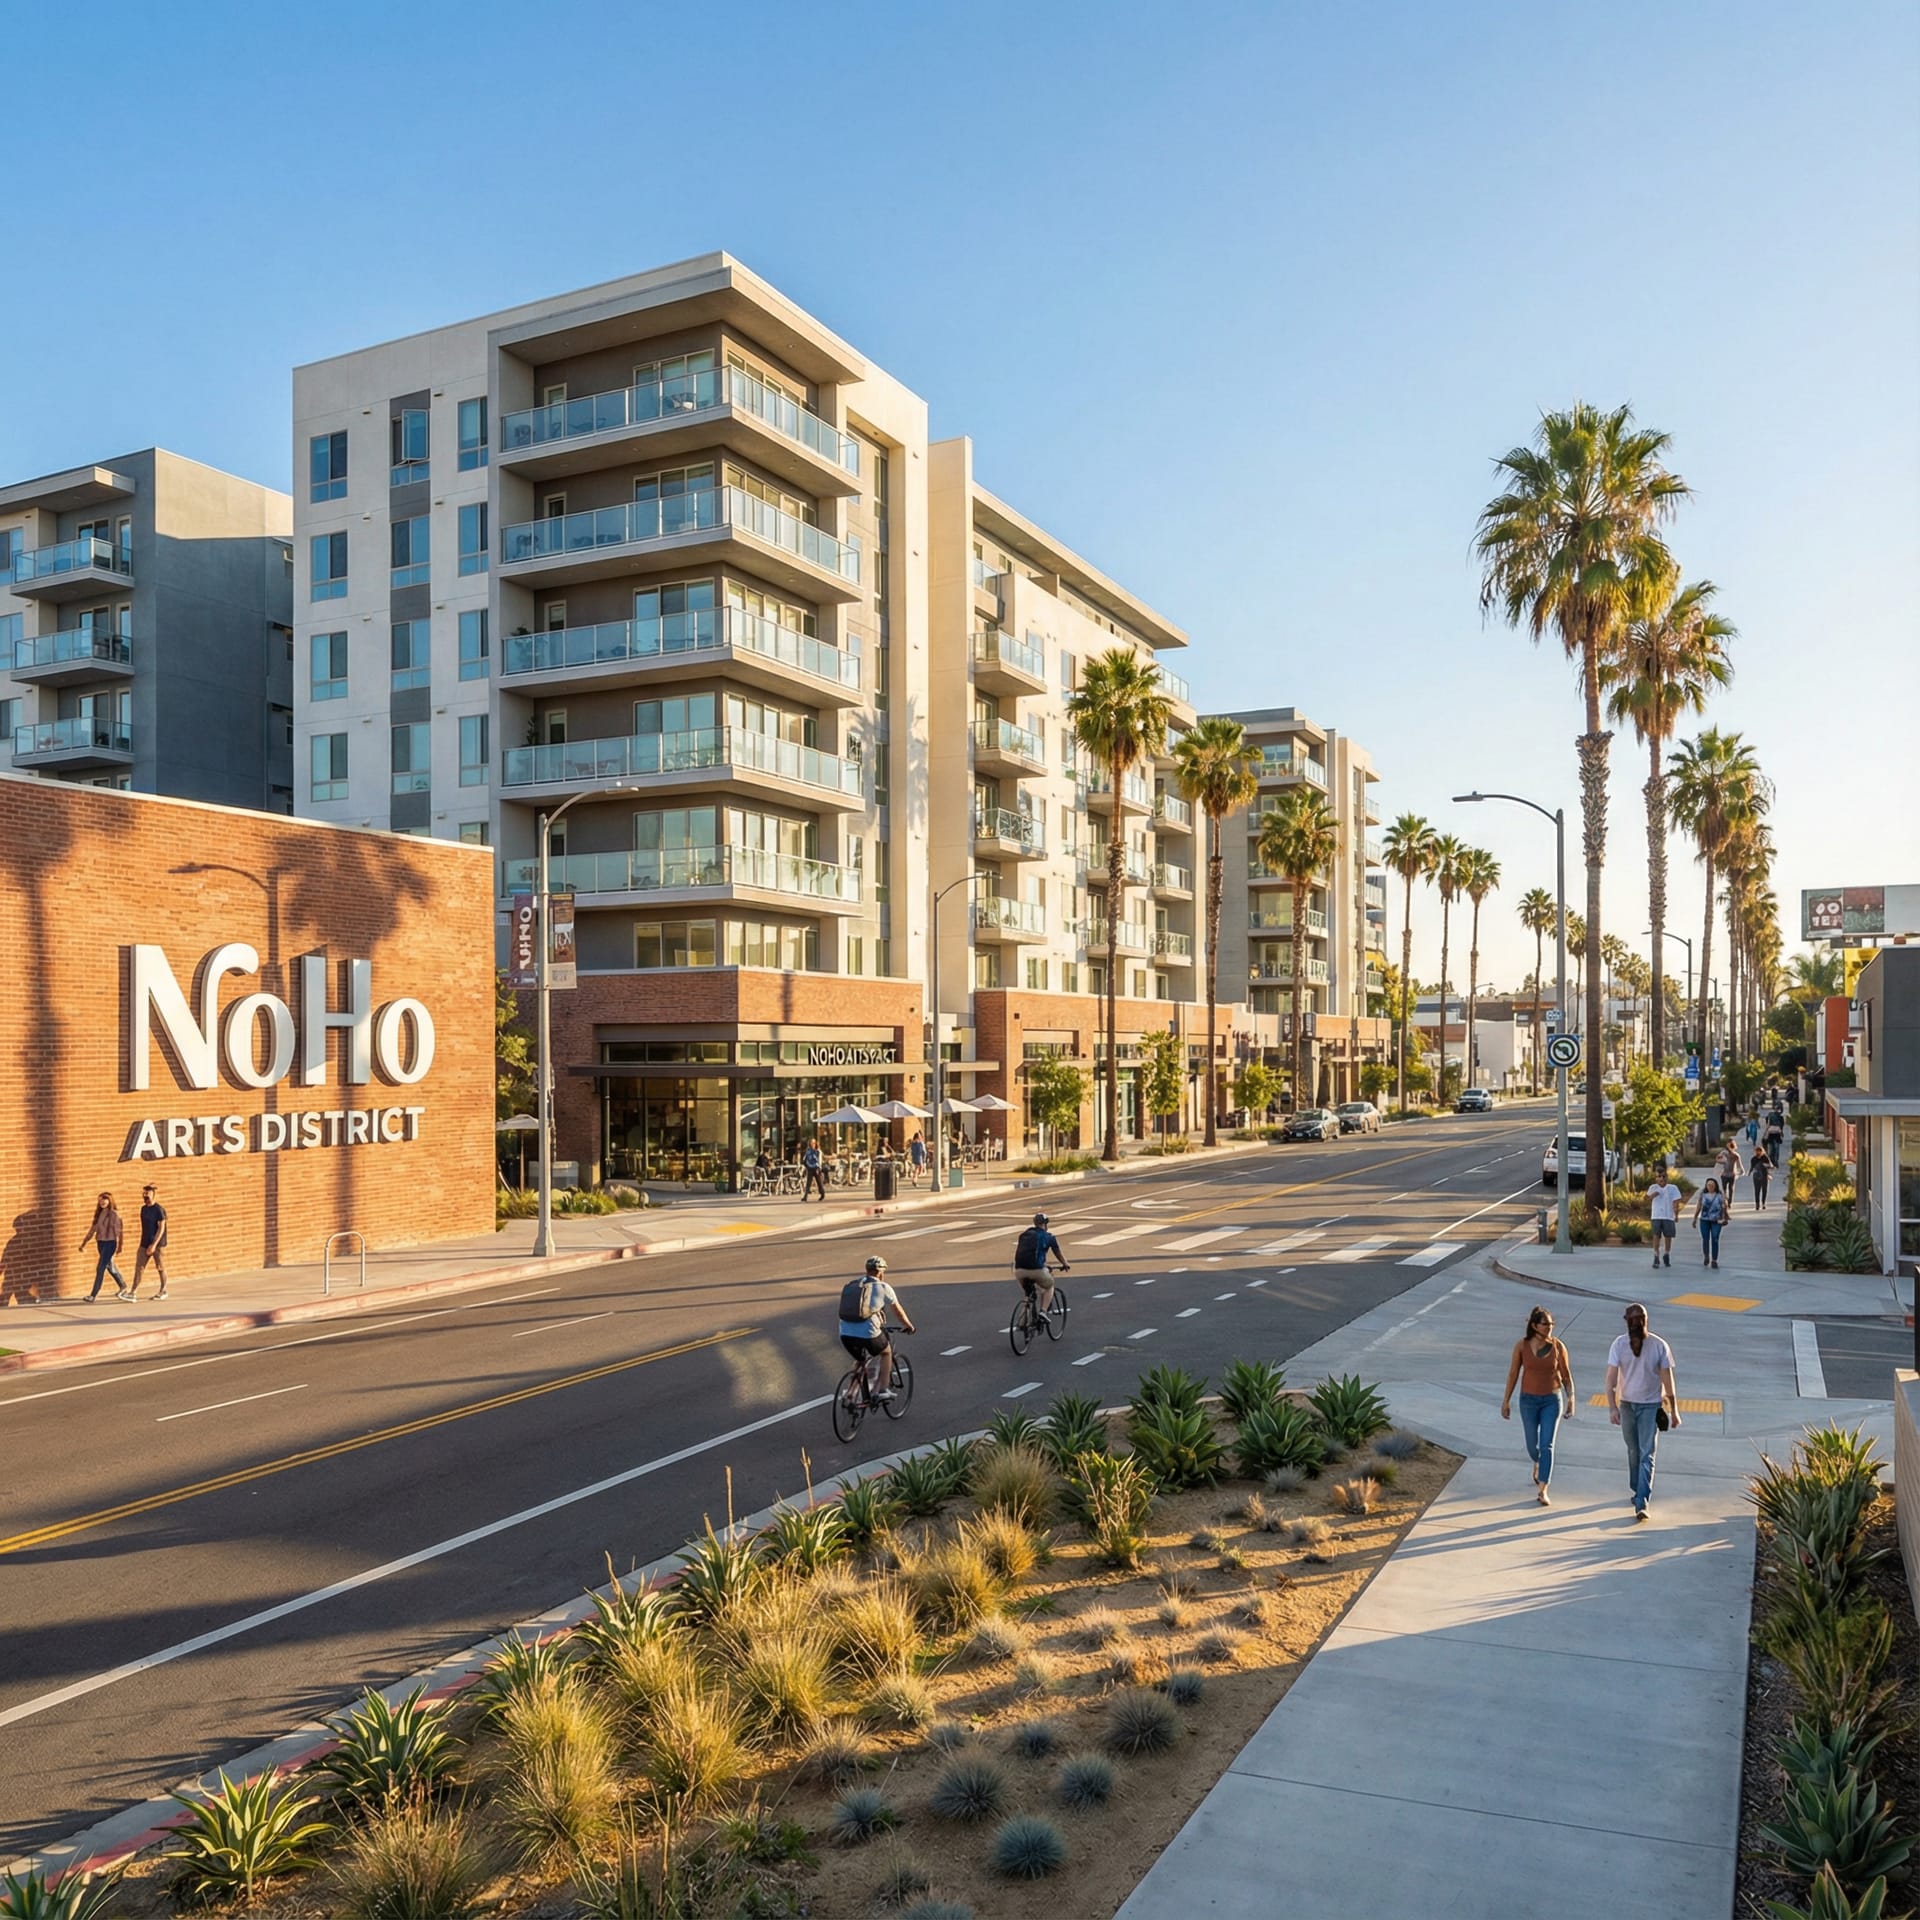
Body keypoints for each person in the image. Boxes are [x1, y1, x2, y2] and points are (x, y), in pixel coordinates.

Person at [1606, 1302, 1680, 1520]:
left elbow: (1668, 1381)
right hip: (1627, 1405)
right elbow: (1610, 1379)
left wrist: (1674, 1410)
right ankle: (1637, 1489)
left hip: (1650, 1407)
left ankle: (1641, 1501)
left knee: (1647, 1453)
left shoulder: (1659, 1346)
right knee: (1634, 1452)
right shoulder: (1619, 1345)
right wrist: (1612, 1407)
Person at [1500, 1306, 1575, 1506]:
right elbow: (1513, 1374)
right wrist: (1506, 1400)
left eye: (1551, 1324)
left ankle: (1543, 1488)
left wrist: (1571, 1399)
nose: (1549, 1327)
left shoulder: (1558, 1346)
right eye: (1545, 1324)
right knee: (1533, 1446)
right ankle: (1537, 1462)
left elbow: (1566, 1375)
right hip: (1528, 1401)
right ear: (1534, 1326)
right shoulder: (1521, 1346)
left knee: (1546, 1445)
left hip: (1552, 1400)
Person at [837, 1255, 915, 1403]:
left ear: (867, 1270)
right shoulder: (883, 1287)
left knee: (860, 1359)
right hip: (868, 1333)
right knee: (886, 1353)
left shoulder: (853, 1285)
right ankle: (883, 1389)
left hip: (845, 1333)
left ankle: (851, 1393)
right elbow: (898, 1311)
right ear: (881, 1272)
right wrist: (909, 1326)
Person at [1013, 1211, 1071, 1317]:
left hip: (1018, 1270)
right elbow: (1057, 1253)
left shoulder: (1024, 1235)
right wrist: (1065, 1263)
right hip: (1036, 1270)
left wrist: (1043, 1265)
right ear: (1045, 1224)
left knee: (1028, 1294)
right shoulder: (1049, 1237)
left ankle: (1022, 1320)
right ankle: (1043, 1312)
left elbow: (1028, 1254)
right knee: (1049, 1285)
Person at [80, 1191, 127, 1301]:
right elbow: (92, 1230)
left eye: (104, 1199)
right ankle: (123, 1285)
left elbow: (119, 1232)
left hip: (110, 1243)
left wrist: (120, 1246)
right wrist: (84, 1243)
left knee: (100, 1267)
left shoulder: (115, 1214)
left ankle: (93, 1294)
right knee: (110, 1266)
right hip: (101, 1243)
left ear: (110, 1200)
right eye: (100, 1199)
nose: (102, 1201)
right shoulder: (99, 1214)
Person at [130, 1183, 170, 1300]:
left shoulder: (159, 1210)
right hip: (144, 1242)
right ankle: (133, 1291)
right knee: (139, 1267)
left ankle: (163, 1290)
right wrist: (146, 1243)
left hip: (158, 1244)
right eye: (144, 1194)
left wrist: (154, 1245)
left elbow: (161, 1228)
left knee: (160, 1267)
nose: (145, 1196)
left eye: (148, 1194)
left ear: (153, 1195)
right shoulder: (143, 1209)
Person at [1646, 1167, 1683, 1269]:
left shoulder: (1673, 1188)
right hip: (1656, 1215)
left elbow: (1676, 1202)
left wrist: (1676, 1215)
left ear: (1667, 1177)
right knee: (1656, 1236)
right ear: (1656, 1178)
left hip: (1668, 1216)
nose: (1662, 1178)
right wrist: (1652, 1196)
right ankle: (1656, 1255)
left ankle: (1666, 1253)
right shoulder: (1653, 1187)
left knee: (1668, 1236)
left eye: (1664, 1176)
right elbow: (1646, 1199)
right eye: (1659, 1176)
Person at [1693, 1176, 1728, 1268]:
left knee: (1715, 1239)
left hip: (1716, 1220)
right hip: (1704, 1220)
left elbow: (1724, 1206)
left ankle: (1714, 1260)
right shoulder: (1703, 1195)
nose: (1710, 1186)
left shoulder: (1720, 1195)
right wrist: (1695, 1218)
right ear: (1706, 1186)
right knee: (1705, 1239)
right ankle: (1706, 1256)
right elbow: (1698, 1207)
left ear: (1715, 1186)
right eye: (1708, 1185)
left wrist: (1725, 1213)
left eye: (1712, 1185)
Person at [1749, 1142, 1774, 1212]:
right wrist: (1750, 1172)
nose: (1758, 1153)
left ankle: (1763, 1203)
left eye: (1759, 1151)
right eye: (1757, 1151)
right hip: (1756, 1176)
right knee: (1757, 1190)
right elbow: (1752, 1167)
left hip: (1764, 1175)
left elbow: (1770, 1165)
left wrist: (1766, 1165)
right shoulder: (1753, 1159)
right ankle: (1757, 1204)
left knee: (1764, 1190)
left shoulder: (1765, 1157)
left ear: (1762, 1151)